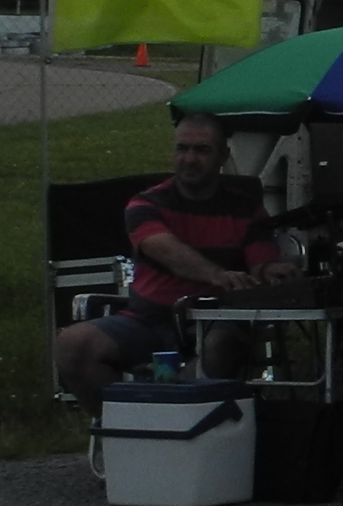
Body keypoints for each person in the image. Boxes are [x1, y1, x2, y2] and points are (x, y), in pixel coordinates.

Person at [53, 109, 283, 398]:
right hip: (146, 321)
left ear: (223, 156)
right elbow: (164, 249)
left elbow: (262, 265)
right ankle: (120, 421)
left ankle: (168, 408)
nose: (189, 159)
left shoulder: (247, 209)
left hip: (215, 322)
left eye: (202, 150)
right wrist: (216, 274)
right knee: (72, 345)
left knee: (224, 345)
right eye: (182, 149)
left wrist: (274, 272)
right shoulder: (146, 204)